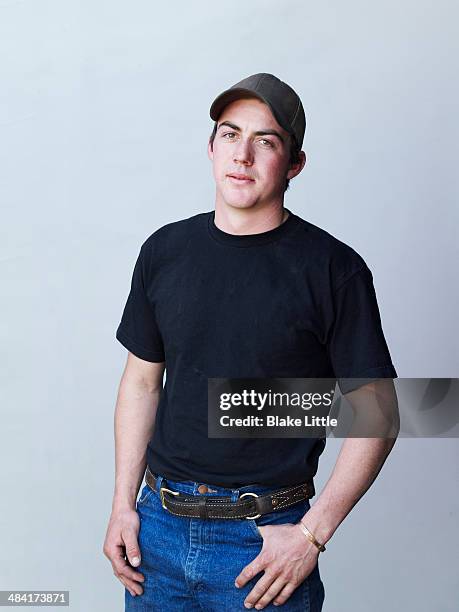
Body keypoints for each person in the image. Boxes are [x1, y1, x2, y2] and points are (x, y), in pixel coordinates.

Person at [103, 73, 399, 611]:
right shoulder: (164, 252)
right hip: (156, 538)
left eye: (266, 141)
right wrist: (124, 505)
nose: (242, 154)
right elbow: (142, 383)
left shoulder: (335, 270)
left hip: (264, 547)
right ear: (211, 147)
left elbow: (378, 415)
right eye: (229, 134)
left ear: (294, 164)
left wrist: (311, 536)